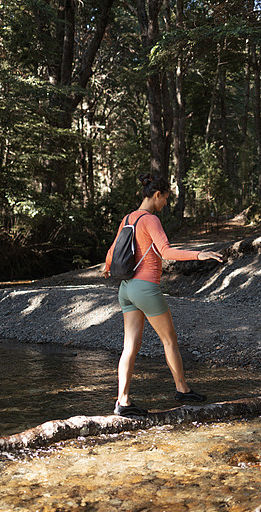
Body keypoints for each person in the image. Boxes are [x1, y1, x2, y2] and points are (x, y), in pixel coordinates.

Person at [102, 173, 224, 417]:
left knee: (130, 347)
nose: (165, 204)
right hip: (146, 288)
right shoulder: (150, 220)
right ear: (156, 195)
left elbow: (112, 251)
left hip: (125, 289)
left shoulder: (128, 218)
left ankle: (122, 402)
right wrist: (199, 254)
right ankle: (182, 389)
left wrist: (107, 267)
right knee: (169, 340)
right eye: (165, 199)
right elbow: (166, 252)